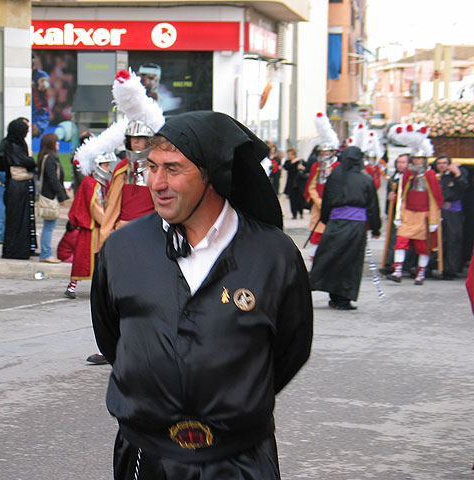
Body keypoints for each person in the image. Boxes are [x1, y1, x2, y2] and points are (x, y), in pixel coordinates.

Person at [91, 111, 313, 479]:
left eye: (173, 169)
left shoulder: (274, 254)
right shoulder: (121, 249)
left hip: (240, 458)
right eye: (152, 166)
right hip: (146, 455)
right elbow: (112, 337)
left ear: (212, 174)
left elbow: (292, 348)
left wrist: (234, 397)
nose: (157, 182)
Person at [98, 69, 165, 247]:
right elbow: (112, 204)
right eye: (133, 139)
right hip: (123, 230)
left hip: (151, 229)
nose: (136, 142)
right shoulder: (122, 168)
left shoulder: (158, 167)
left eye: (141, 138)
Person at [309, 146, 381, 310]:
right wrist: (376, 228)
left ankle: (333, 295)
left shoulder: (334, 178)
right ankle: (342, 298)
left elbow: (326, 201)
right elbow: (372, 206)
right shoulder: (366, 180)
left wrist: (327, 220)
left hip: (335, 223)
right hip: (355, 226)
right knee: (350, 261)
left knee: (331, 257)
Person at [65, 119, 126, 299]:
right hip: (92, 227)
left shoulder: (100, 183)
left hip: (100, 226)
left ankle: (104, 289)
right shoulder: (90, 183)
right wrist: (109, 221)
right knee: (84, 259)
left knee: (102, 260)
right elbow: (95, 207)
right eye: (106, 165)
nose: (108, 168)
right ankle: (72, 286)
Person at [385, 124, 443, 285]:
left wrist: (433, 220)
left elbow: (435, 199)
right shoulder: (407, 174)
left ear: (424, 160)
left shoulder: (431, 175)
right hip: (408, 214)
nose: (417, 161)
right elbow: (401, 196)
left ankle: (421, 273)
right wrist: (398, 215)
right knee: (401, 242)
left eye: (420, 159)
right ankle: (397, 271)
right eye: (415, 159)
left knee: (423, 246)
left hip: (424, 216)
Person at [0, 118, 37, 260]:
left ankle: (25, 248)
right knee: (17, 218)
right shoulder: (12, 144)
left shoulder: (15, 143)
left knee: (24, 218)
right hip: (17, 184)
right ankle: (15, 250)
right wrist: (13, 166)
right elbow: (24, 160)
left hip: (20, 183)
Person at [304, 112, 340, 262]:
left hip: (333, 206)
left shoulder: (338, 167)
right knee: (316, 234)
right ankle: (315, 261)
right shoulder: (317, 166)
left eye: (327, 151)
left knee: (331, 235)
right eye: (322, 151)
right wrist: (318, 201)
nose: (324, 154)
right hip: (318, 206)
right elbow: (311, 185)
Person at [36, 133, 69, 263]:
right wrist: (62, 196)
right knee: (49, 225)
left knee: (49, 225)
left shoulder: (49, 158)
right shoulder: (49, 159)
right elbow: (53, 180)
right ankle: (45, 253)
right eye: (56, 142)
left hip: (50, 195)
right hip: (49, 196)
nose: (58, 144)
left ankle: (46, 252)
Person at [434, 155, 468, 279]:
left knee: (453, 240)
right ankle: (436, 266)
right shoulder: (436, 177)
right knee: (439, 240)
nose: (442, 165)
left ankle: (450, 269)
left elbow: (464, 186)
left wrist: (457, 174)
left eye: (444, 163)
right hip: (438, 212)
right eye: (439, 163)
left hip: (453, 212)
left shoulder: (456, 176)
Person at [380, 154, 410, 274]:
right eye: (398, 162)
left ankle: (405, 265)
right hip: (395, 213)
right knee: (393, 239)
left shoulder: (411, 178)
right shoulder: (393, 179)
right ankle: (390, 263)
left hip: (407, 213)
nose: (400, 165)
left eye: (403, 162)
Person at [282, 147, 307, 219]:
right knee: (292, 200)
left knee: (300, 199)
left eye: (290, 154)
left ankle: (301, 212)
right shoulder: (288, 162)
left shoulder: (301, 161)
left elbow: (307, 168)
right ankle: (294, 214)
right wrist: (293, 161)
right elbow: (286, 167)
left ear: (294, 154)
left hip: (300, 184)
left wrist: (303, 168)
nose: (289, 156)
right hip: (292, 184)